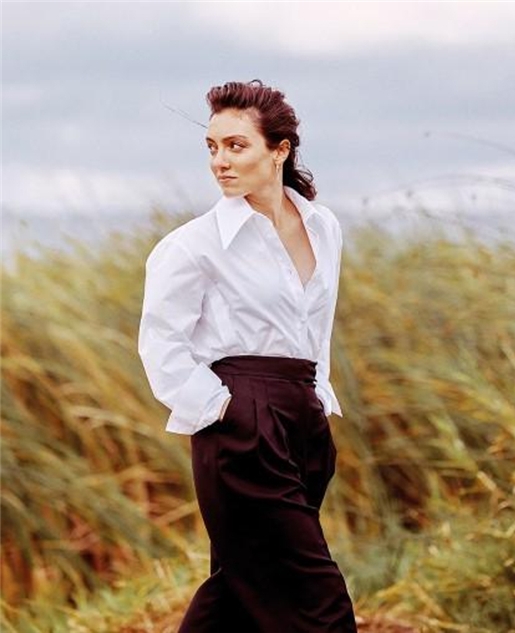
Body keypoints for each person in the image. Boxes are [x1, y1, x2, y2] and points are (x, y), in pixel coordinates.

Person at [138, 79, 357, 633]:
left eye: (236, 146)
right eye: (213, 147)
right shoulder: (193, 244)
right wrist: (223, 410)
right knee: (319, 600)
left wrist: (318, 397)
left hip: (303, 418)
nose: (220, 161)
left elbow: (317, 324)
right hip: (241, 422)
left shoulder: (323, 227)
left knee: (240, 588)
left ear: (280, 150)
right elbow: (161, 343)